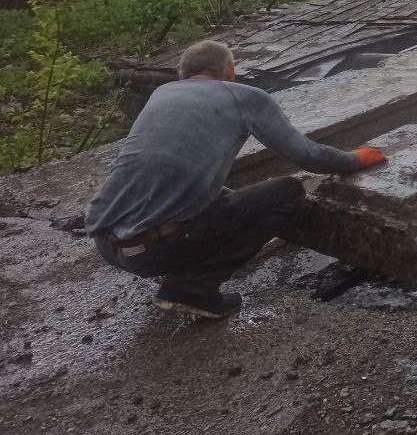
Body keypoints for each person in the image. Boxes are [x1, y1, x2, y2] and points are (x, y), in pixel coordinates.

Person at [85, 40, 386, 319]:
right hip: (155, 252)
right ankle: (193, 288)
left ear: (181, 73)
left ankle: (183, 264)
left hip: (108, 245)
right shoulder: (244, 97)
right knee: (289, 192)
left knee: (223, 194)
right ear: (230, 71)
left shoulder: (162, 93)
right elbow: (309, 157)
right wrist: (356, 159)